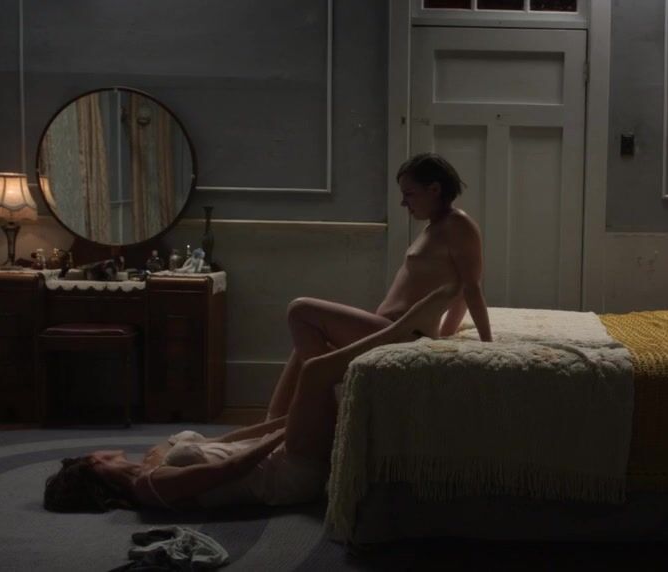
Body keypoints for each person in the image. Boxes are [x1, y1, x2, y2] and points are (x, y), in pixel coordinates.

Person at [43, 153, 490, 512]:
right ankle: (331, 388)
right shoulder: (149, 486)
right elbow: (228, 469)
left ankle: (331, 383)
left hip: (375, 353)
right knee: (309, 358)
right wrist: (285, 427)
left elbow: (468, 287)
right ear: (95, 474)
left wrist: (273, 425)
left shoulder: (456, 225)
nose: (404, 203)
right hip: (289, 467)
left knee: (304, 338)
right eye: (92, 459)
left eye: (409, 194)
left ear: (434, 190)